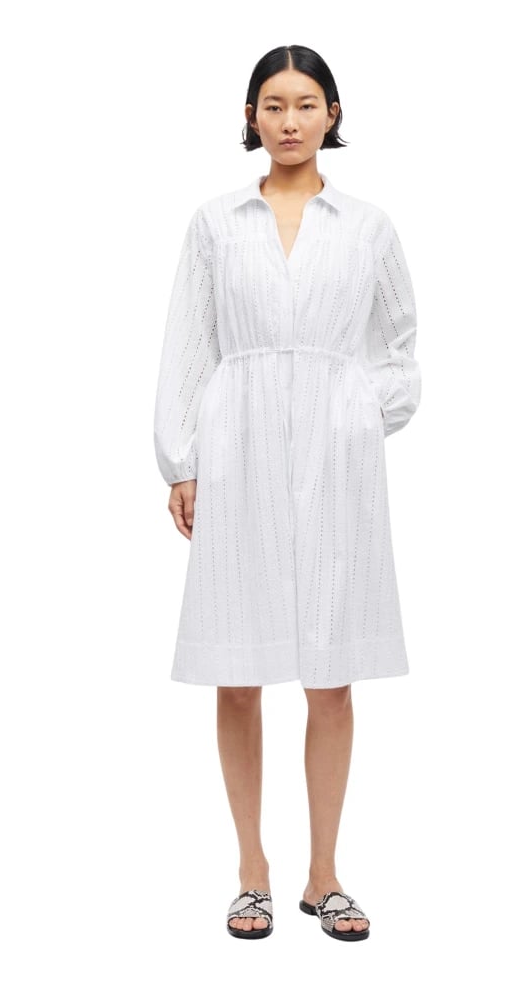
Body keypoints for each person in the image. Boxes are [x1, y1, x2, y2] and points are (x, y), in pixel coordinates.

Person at [152, 45, 422, 942]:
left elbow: (400, 347)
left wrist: (361, 413)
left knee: (330, 675)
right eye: (274, 104)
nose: (291, 120)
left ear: (332, 114)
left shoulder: (368, 226)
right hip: (237, 448)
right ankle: (251, 871)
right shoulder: (215, 223)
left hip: (338, 459)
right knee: (237, 671)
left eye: (307, 104)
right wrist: (181, 460)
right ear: (252, 117)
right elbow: (188, 344)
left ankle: (325, 874)